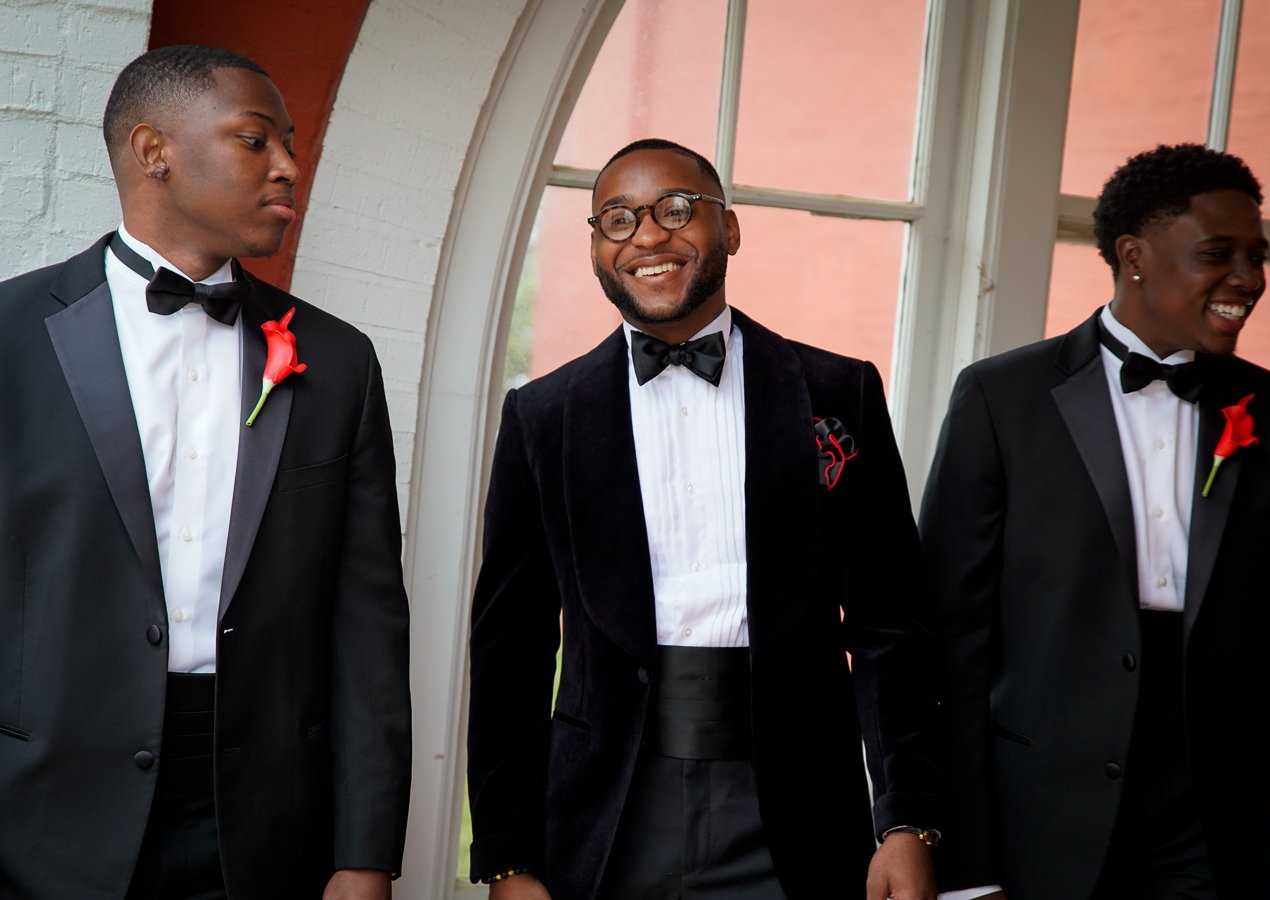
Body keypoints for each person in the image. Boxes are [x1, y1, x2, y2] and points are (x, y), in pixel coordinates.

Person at [466, 138, 943, 900]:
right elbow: (510, 647)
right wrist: (505, 855)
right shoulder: (542, 416)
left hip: (798, 811)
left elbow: (892, 628)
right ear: (595, 248)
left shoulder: (838, 393)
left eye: (677, 211)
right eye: (617, 219)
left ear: (730, 230)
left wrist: (907, 821)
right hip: (605, 815)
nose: (648, 236)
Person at [0, 46, 411, 899]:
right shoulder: (7, 337)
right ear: (155, 151)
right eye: (256, 141)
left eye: (290, 144)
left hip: (264, 830)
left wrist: (363, 855)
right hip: (36, 820)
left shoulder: (337, 361)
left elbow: (367, 623)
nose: (290, 167)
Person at [920, 143, 1270, 900]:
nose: (1248, 280)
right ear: (1134, 256)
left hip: (1209, 825)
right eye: (1218, 254)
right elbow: (951, 647)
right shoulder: (1001, 398)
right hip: (1036, 824)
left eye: (1257, 256)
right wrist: (965, 870)